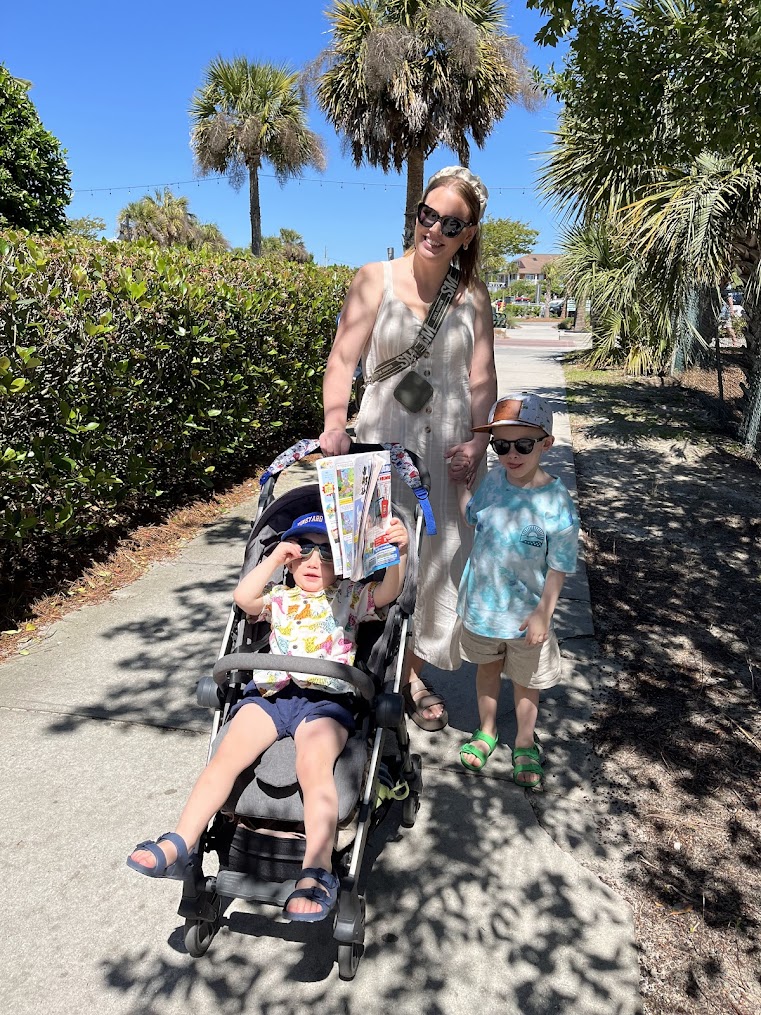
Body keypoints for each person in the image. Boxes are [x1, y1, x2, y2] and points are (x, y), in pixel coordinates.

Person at [127, 511, 408, 922]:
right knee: (225, 758)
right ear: (289, 558)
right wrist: (274, 559)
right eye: (303, 551)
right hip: (270, 695)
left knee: (314, 766)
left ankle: (317, 870)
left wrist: (396, 553)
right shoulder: (278, 597)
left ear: (344, 563)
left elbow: (389, 592)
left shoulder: (350, 596)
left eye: (327, 553)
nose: (313, 561)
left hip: (325, 701)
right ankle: (180, 842)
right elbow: (243, 599)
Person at [320, 166, 497, 731]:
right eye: (429, 215)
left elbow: (482, 374)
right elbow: (344, 359)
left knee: (441, 567)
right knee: (374, 559)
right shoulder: (374, 277)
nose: (436, 230)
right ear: (416, 213)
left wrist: (479, 441)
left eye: (452, 223)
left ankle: (410, 674)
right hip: (380, 444)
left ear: (467, 233)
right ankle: (372, 667)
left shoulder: (471, 294)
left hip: (448, 453)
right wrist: (333, 424)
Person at [456, 394, 579, 789]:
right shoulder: (493, 481)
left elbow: (560, 564)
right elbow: (473, 515)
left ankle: (525, 742)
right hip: (481, 608)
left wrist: (545, 611)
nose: (512, 454)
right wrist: (462, 486)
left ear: (545, 445)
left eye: (523, 444)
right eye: (501, 446)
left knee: (527, 682)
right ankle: (487, 730)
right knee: (487, 671)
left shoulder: (556, 502)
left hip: (527, 614)